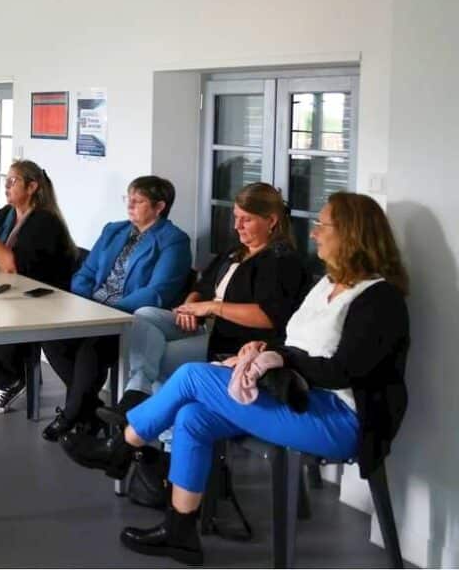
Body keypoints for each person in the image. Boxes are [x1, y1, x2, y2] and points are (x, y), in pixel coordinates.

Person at [76, 192, 409, 566]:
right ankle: (180, 531)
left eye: (323, 225)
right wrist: (260, 348)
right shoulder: (328, 285)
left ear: (351, 234)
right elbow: (293, 338)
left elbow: (343, 371)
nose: (315, 233)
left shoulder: (380, 299)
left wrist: (278, 357)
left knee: (192, 377)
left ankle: (122, 445)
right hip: (297, 397)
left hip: (342, 418)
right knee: (192, 417)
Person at [97, 181, 310, 420]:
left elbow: (268, 317)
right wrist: (189, 308)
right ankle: (137, 396)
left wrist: (211, 307)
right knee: (144, 314)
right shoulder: (235, 251)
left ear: (271, 221)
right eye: (235, 217)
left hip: (236, 341)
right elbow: (202, 286)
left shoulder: (281, 261)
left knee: (158, 355)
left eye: (246, 220)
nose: (237, 226)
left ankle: (155, 428)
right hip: (205, 326)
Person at [39, 176, 192, 443]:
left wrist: (108, 311)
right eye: (128, 199)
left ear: (159, 207)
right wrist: (83, 303)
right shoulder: (114, 230)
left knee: (92, 347)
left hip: (127, 317)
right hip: (91, 307)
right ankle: (90, 412)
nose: (130, 205)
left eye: (138, 201)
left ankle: (71, 414)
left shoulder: (174, 241)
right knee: (52, 337)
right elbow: (86, 273)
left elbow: (158, 292)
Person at [0, 160, 77, 414]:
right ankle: (7, 379)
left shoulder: (43, 221)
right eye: (6, 179)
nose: (6, 184)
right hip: (15, 292)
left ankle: (11, 379)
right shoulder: (8, 213)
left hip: (44, 300)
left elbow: (10, 265)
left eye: (13, 180)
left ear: (32, 187)